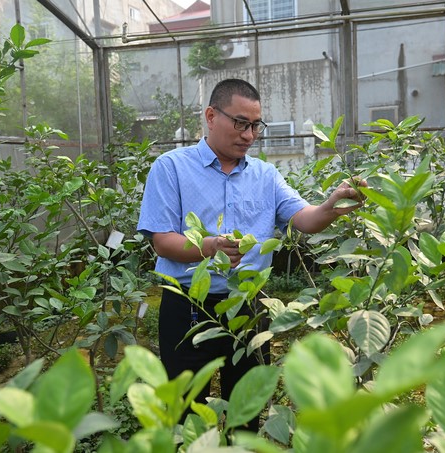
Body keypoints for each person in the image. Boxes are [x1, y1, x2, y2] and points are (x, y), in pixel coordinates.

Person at [137, 78, 365, 430]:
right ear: (211, 116)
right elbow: (163, 241)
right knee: (184, 413)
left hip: (249, 304)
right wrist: (209, 247)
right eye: (240, 123)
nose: (249, 134)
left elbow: (304, 218)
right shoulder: (171, 168)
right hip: (188, 307)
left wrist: (331, 206)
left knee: (246, 413)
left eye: (255, 125)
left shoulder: (265, 175)